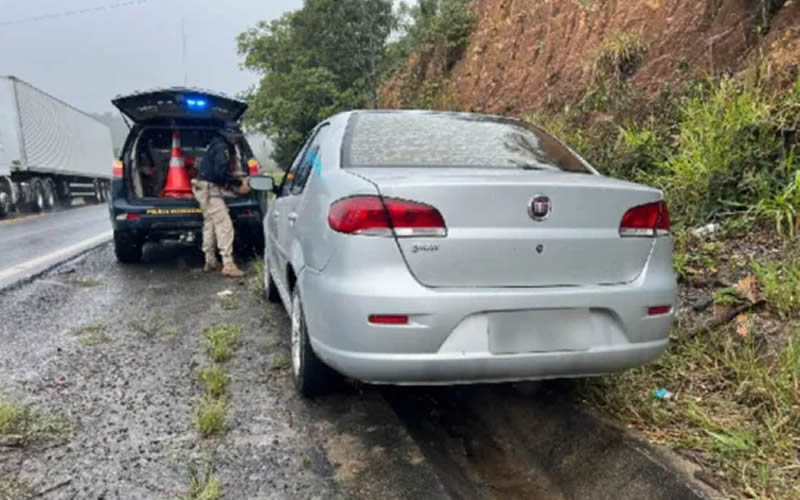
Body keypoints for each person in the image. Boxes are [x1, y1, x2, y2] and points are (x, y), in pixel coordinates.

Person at [192, 123, 250, 277]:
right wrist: (238, 183)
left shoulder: (216, 144)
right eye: (237, 137)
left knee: (210, 223)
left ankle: (210, 261)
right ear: (230, 135)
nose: (238, 140)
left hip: (202, 187)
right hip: (209, 190)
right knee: (224, 225)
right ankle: (228, 265)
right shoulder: (222, 147)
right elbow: (221, 173)